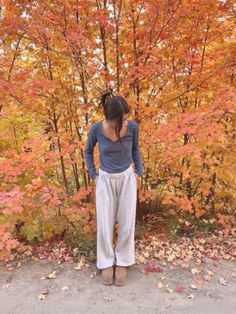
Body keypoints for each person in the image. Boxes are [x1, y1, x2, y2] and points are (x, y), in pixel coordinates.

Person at [83, 90, 144, 286]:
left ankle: (123, 260)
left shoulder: (133, 127)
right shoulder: (96, 129)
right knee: (105, 223)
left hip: (127, 178)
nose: (122, 124)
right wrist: (94, 175)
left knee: (126, 223)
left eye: (124, 120)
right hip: (105, 180)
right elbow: (87, 151)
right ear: (108, 118)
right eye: (118, 121)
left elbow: (135, 149)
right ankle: (106, 261)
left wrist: (138, 171)